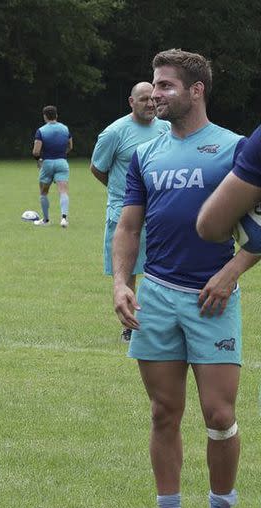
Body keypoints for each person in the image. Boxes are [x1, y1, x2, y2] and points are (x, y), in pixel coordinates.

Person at [112, 49, 257, 508]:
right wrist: (121, 283)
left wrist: (230, 272)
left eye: (166, 86)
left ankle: (221, 505)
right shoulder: (144, 154)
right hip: (155, 295)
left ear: (196, 91)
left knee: (219, 416)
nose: (155, 95)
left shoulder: (236, 148)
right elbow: (129, 226)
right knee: (163, 413)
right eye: (154, 86)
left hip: (211, 299)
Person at [91, 83, 170, 342]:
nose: (150, 104)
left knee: (161, 268)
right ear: (131, 102)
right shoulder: (114, 133)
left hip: (160, 210)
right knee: (128, 271)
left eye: (153, 99)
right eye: (144, 99)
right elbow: (97, 168)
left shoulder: (165, 127)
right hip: (125, 213)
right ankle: (130, 327)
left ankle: (160, 322)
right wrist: (125, 195)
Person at [31, 105, 72, 227]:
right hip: (62, 163)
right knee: (63, 191)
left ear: (45, 116)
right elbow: (70, 146)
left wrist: (39, 160)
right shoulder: (65, 129)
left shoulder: (41, 131)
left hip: (47, 163)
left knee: (43, 192)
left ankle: (46, 220)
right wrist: (62, 155)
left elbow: (36, 151)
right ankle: (64, 219)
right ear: (56, 116)